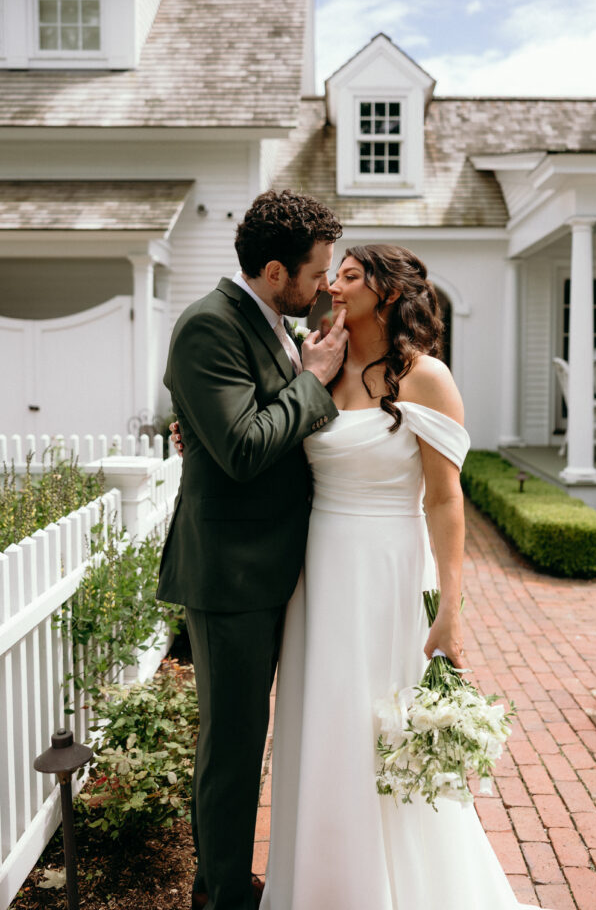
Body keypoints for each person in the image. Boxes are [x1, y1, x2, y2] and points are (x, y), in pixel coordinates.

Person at [258, 244, 553, 910]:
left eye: (352, 276)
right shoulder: (317, 362)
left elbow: (445, 500)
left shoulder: (426, 378)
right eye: (334, 274)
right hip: (318, 571)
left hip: (389, 568)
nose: (334, 285)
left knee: (381, 725)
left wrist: (451, 608)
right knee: (322, 719)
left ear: (389, 292)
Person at [157, 189, 349, 910]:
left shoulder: (268, 321)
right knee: (233, 749)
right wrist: (312, 382)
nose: (326, 283)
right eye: (318, 270)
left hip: (272, 565)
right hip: (231, 573)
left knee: (251, 742)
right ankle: (220, 897)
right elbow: (241, 448)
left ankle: (228, 880)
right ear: (276, 271)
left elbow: (238, 423)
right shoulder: (209, 324)